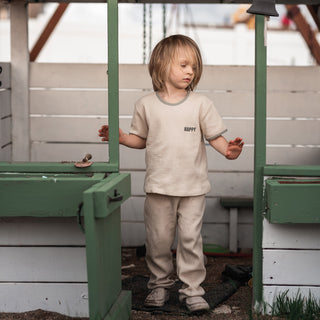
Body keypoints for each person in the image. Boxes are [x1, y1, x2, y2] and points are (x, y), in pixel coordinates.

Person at [99, 34, 244, 313]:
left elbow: (216, 138)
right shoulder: (146, 105)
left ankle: (192, 291)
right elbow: (140, 139)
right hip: (158, 188)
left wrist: (229, 151)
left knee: (191, 241)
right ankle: (159, 286)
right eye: (184, 65)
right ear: (162, 66)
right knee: (158, 241)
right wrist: (119, 137)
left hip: (193, 189)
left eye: (194, 66)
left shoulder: (201, 104)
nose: (190, 71)